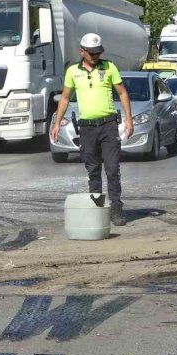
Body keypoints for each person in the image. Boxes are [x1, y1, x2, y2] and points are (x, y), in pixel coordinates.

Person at [51, 33, 134, 226]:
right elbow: (64, 98)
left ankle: (116, 209)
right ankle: (97, 209)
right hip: (87, 128)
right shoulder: (73, 71)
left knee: (112, 168)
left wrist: (129, 119)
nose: (96, 56)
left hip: (108, 125)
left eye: (98, 52)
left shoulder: (109, 67)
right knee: (93, 169)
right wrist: (57, 123)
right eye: (92, 53)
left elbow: (122, 92)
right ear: (82, 52)